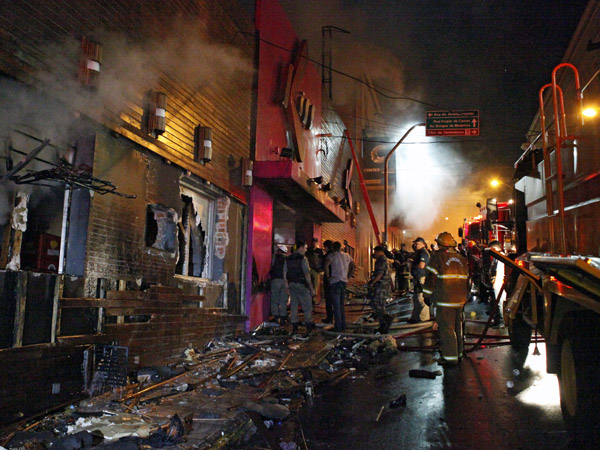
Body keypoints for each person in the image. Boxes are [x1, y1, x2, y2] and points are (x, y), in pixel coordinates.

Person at [423, 232, 469, 365]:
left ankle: (450, 358)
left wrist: (427, 295)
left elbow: (431, 280)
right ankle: (458, 354)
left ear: (440, 245)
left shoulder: (437, 258)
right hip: (460, 300)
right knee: (457, 328)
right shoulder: (462, 259)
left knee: (446, 329)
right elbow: (467, 280)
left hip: (444, 300)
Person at [284, 240, 316, 335]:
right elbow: (307, 274)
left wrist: (286, 286)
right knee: (307, 307)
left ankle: (294, 328)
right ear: (300, 247)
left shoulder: (288, 258)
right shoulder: (303, 259)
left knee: (293, 306)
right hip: (302, 285)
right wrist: (311, 288)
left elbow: (285, 273)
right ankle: (309, 328)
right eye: (305, 248)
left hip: (292, 285)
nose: (306, 250)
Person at [323, 241, 356, 331]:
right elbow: (353, 266)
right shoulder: (347, 256)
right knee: (341, 305)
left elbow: (326, 265)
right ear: (341, 248)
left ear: (333, 248)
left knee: (336, 305)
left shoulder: (332, 256)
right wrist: (348, 276)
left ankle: (338, 326)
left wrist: (328, 276)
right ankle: (343, 325)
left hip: (335, 281)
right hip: (343, 282)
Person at [367, 245, 394, 333]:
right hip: (384, 286)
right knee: (379, 304)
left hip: (381, 286)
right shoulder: (385, 260)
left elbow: (380, 274)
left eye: (375, 252)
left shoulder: (381, 260)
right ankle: (383, 325)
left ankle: (386, 319)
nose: (374, 254)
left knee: (376, 303)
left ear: (380, 251)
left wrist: (372, 283)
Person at [408, 237, 431, 323]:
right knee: (416, 298)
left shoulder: (423, 253)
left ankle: (423, 319)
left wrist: (411, 264)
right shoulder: (419, 253)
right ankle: (416, 317)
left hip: (421, 278)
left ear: (423, 244)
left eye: (417, 243)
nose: (415, 245)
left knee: (421, 298)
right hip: (418, 278)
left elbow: (421, 265)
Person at [269, 244, 288, 325]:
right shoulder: (287, 259)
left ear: (279, 251)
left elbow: (270, 267)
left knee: (275, 299)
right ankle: (283, 318)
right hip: (285, 281)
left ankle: (276, 318)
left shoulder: (274, 257)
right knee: (283, 300)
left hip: (275, 280)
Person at [306, 238, 324, 305]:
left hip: (316, 270)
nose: (314, 243)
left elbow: (322, 261)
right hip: (309, 270)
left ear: (317, 243)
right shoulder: (308, 251)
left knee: (315, 286)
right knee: (308, 285)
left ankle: (313, 300)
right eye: (313, 242)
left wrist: (321, 269)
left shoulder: (319, 251)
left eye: (315, 242)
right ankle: (309, 300)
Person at [321, 240, 334, 323]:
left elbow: (324, 266)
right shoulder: (336, 255)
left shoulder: (327, 256)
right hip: (337, 279)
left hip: (328, 279)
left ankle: (329, 318)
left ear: (326, 247)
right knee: (335, 300)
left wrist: (328, 276)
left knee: (329, 299)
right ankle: (336, 318)